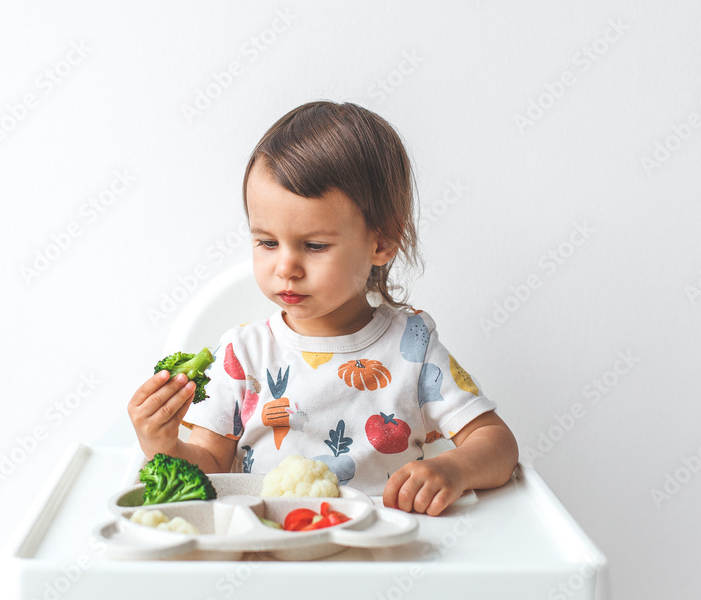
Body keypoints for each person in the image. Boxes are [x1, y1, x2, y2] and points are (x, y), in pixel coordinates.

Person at [129, 101, 518, 516]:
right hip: (268, 550)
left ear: (381, 243)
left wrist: (453, 469)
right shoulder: (243, 353)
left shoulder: (412, 348)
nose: (285, 268)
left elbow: (497, 445)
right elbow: (210, 470)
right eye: (266, 242)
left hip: (378, 551)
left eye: (314, 246)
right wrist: (162, 445)